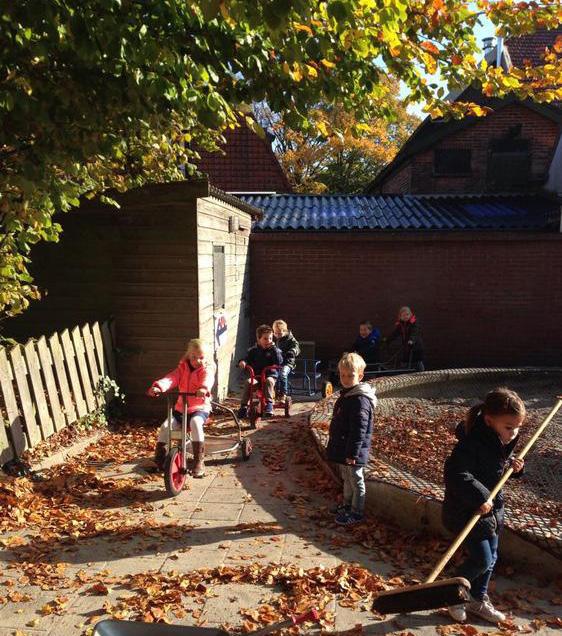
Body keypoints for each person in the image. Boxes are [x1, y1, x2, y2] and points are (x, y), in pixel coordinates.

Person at [443, 387, 525, 624]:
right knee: (482, 560)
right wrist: (481, 496)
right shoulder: (471, 443)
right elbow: (457, 474)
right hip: (466, 511)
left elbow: (494, 471)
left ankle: (478, 598)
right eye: (508, 427)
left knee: (492, 557)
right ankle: (453, 594)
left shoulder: (500, 440)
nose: (513, 432)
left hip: (492, 512)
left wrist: (514, 467)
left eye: (517, 427)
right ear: (489, 420)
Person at [147, 338, 215, 478]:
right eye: (194, 357)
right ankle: (160, 458)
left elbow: (208, 379)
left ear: (205, 357)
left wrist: (203, 388)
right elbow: (171, 378)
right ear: (188, 356)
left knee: (195, 423)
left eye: (201, 357)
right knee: (166, 426)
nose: (197, 361)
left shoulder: (206, 369)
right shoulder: (182, 368)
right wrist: (159, 386)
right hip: (181, 408)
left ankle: (198, 461)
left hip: (199, 407)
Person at [326, 352, 377, 526]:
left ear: (360, 376)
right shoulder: (347, 395)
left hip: (353, 451)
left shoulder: (360, 400)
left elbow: (359, 431)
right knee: (347, 478)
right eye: (342, 375)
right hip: (344, 447)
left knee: (356, 479)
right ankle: (347, 504)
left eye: (351, 376)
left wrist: (353, 453)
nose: (346, 379)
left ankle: (357, 511)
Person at [238, 325, 283, 418]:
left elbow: (279, 361)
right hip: (256, 377)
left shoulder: (274, 350)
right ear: (259, 339)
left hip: (270, 375)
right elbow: (246, 359)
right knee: (248, 382)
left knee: (269, 381)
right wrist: (243, 362)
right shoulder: (253, 351)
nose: (268, 341)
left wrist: (274, 349)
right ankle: (243, 406)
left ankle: (269, 404)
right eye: (265, 339)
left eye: (270, 338)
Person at [385, 306, 425, 371]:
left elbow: (415, 332)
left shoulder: (414, 323)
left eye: (407, 314)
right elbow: (395, 333)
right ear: (400, 316)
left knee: (417, 362)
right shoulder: (400, 325)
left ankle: (422, 374)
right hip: (407, 346)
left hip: (415, 346)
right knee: (405, 361)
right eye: (403, 315)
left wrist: (411, 340)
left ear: (410, 314)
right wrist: (387, 340)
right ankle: (405, 375)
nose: (405, 316)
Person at [272, 319, 300, 399]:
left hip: (288, 362)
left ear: (285, 331)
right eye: (275, 333)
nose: (277, 335)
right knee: (273, 374)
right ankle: (275, 391)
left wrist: (292, 351)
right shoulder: (278, 340)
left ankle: (284, 393)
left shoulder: (290, 339)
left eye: (279, 333)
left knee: (283, 374)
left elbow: (296, 347)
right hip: (279, 362)